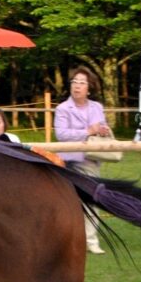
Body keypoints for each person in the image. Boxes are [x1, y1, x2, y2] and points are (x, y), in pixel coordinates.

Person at [54, 67, 111, 255]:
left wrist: (102, 130)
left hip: (90, 160)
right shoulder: (62, 108)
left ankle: (91, 240)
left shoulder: (97, 107)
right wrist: (87, 131)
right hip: (69, 162)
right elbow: (61, 134)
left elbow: (101, 127)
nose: (77, 86)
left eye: (82, 83)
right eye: (74, 82)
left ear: (89, 88)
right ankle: (69, 240)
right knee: (70, 203)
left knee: (92, 201)